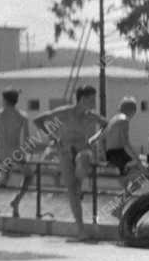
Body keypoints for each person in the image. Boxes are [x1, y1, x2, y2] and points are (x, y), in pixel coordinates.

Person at [33, 87, 106, 241]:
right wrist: (53, 138)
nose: (94, 102)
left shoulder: (90, 116)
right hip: (65, 151)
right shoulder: (64, 112)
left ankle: (79, 184)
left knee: (83, 158)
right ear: (82, 99)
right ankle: (81, 230)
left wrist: (94, 139)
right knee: (72, 190)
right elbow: (38, 120)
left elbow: (107, 124)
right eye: (92, 99)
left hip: (82, 151)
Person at [94, 97, 140, 177]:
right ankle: (131, 188)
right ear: (133, 111)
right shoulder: (124, 120)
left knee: (134, 165)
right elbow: (125, 143)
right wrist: (137, 158)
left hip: (110, 154)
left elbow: (101, 139)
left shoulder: (113, 120)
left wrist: (103, 156)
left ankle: (126, 185)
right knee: (141, 168)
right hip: (118, 154)